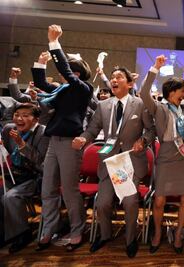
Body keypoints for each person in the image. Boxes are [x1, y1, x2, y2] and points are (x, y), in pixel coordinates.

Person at [72, 66, 155, 258]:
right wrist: (83, 139)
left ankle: (130, 239)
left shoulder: (140, 104)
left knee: (130, 202)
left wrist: (143, 141)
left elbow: (151, 130)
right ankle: (106, 235)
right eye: (112, 77)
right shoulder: (103, 105)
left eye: (119, 77)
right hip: (109, 162)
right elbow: (92, 129)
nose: (114, 80)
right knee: (102, 204)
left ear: (130, 83)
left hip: (130, 162)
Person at [32, 24, 93, 252]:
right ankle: (49, 229)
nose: (62, 75)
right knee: (48, 188)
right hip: (53, 141)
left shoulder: (82, 88)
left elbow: (66, 72)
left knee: (69, 190)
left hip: (70, 143)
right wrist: (41, 63)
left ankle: (78, 230)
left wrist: (54, 43)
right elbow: (42, 85)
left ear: (77, 74)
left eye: (69, 72)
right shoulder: (63, 90)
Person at [141, 55, 184, 254]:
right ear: (171, 92)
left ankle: (179, 233)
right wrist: (155, 67)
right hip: (165, 155)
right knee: (159, 200)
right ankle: (157, 233)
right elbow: (143, 92)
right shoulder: (160, 108)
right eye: (182, 92)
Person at [0, 103, 49, 253]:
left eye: (25, 115)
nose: (19, 119)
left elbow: (41, 163)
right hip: (13, 174)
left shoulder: (44, 133)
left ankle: (22, 233)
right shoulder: (9, 129)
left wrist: (22, 145)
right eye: (17, 115)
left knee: (10, 197)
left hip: (34, 177)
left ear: (35, 119)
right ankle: (3, 234)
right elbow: (6, 152)